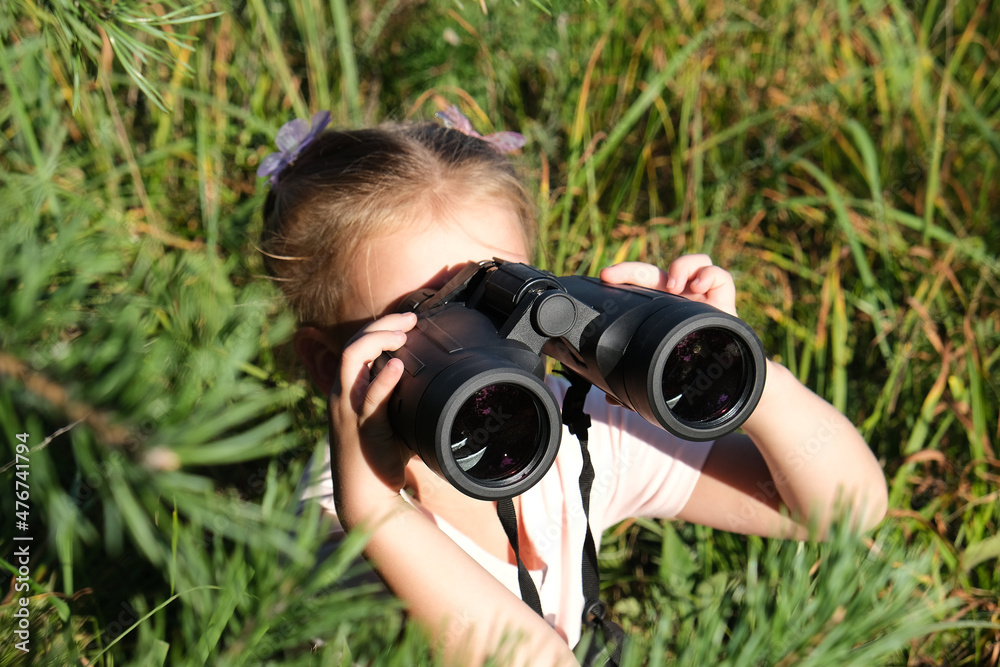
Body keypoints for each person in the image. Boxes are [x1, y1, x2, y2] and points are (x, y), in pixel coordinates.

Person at [258, 108, 888, 666]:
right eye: (426, 317)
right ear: (327, 363)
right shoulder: (333, 535)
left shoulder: (576, 433)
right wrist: (378, 515)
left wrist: (731, 365)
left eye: (494, 293)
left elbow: (844, 511)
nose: (473, 335)